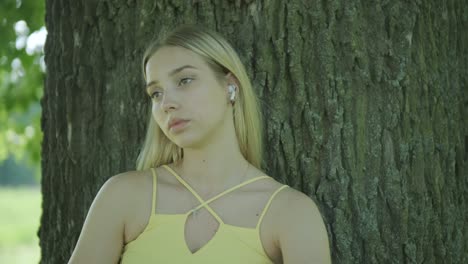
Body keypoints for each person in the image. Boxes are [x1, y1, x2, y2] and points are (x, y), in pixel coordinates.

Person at [68, 25, 331, 264]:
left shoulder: (291, 213)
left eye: (184, 81)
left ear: (230, 87)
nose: (166, 103)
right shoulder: (123, 196)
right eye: (156, 93)